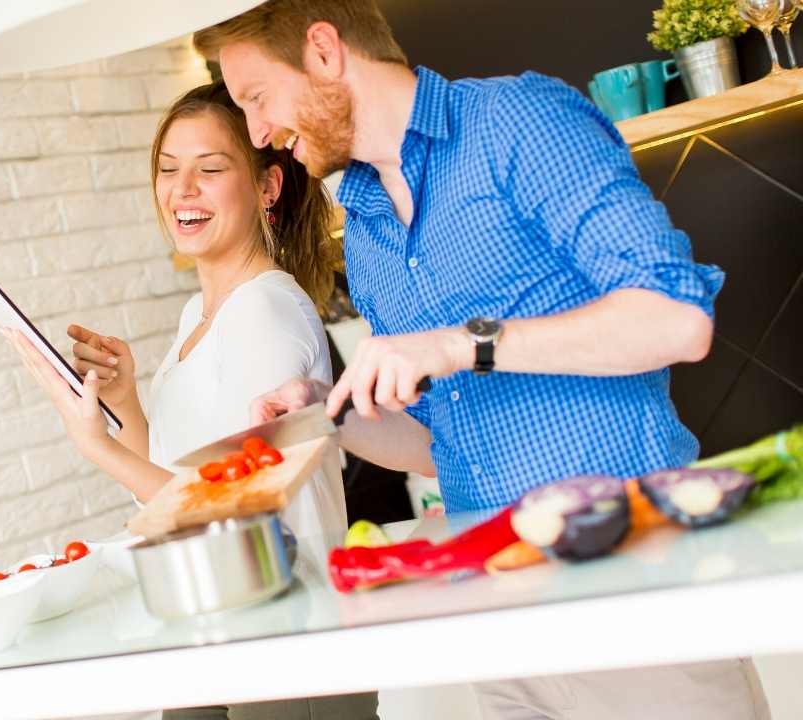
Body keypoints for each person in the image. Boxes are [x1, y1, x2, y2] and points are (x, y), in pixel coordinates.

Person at [192, 3, 772, 720]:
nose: (257, 133)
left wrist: (464, 343)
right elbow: (441, 446)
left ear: (323, 51)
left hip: (635, 589)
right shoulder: (367, 231)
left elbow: (677, 319)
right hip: (501, 615)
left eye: (256, 98)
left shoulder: (519, 121)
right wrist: (327, 415)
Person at [4, 81, 380, 719]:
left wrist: (94, 446)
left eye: (209, 170)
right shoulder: (195, 316)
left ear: (267, 187)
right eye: (168, 170)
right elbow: (177, 482)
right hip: (213, 627)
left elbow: (237, 512)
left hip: (286, 646)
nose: (182, 191)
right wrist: (125, 405)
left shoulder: (264, 309)